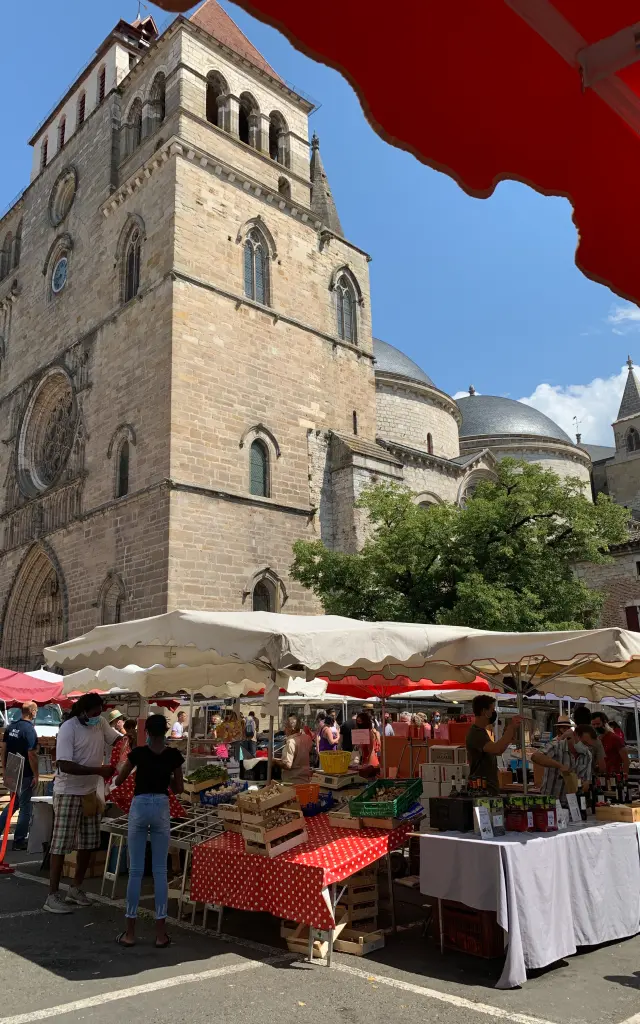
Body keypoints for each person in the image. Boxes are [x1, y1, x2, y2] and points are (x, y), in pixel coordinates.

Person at [44, 693, 119, 915]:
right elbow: (65, 765)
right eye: (94, 713)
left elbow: (115, 740)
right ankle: (52, 895)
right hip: (68, 792)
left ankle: (75, 888)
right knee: (61, 844)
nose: (97, 717)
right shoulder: (69, 728)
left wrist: (127, 740)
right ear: (84, 711)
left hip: (89, 791)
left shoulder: (101, 723)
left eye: (100, 713)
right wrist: (98, 770)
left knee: (89, 842)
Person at [114, 714, 184, 948]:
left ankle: (130, 932)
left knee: (135, 871)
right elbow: (179, 788)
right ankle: (161, 934)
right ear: (165, 732)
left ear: (147, 733)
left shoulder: (138, 754)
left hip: (140, 805)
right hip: (161, 806)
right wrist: (166, 778)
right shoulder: (173, 755)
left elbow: (120, 779)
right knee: (160, 871)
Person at [0, 701, 39, 851]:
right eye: (35, 711)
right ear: (32, 712)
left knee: (13, 804)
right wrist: (36, 774)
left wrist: (5, 769)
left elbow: (3, 749)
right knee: (25, 807)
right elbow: (32, 754)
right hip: (25, 773)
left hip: (13, 770)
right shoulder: (29, 730)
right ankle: (19, 840)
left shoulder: (11, 727)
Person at [466, 695, 524, 794]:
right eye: (492, 710)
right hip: (481, 790)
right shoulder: (476, 733)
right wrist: (511, 728)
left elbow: (499, 751)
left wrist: (508, 737)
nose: (494, 713)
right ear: (484, 711)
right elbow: (496, 749)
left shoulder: (482, 732)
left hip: (489, 788)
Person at [532, 723, 598, 804]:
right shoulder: (556, 746)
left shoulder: (587, 755)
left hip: (572, 804)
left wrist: (585, 784)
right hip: (551, 802)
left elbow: (587, 780)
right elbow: (535, 756)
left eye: (589, 746)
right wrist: (559, 766)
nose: (586, 747)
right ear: (575, 735)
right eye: (584, 743)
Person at [273, 715, 313, 783]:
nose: (284, 730)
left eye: (286, 727)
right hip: (305, 780)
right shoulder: (307, 738)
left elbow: (287, 765)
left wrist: (275, 761)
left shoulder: (291, 742)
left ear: (292, 729)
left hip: (292, 781)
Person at [590, 711, 630, 778]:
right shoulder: (597, 740)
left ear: (605, 722)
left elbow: (626, 760)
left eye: (598, 724)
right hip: (601, 777)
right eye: (593, 725)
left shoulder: (615, 738)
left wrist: (623, 778)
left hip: (614, 777)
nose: (596, 727)